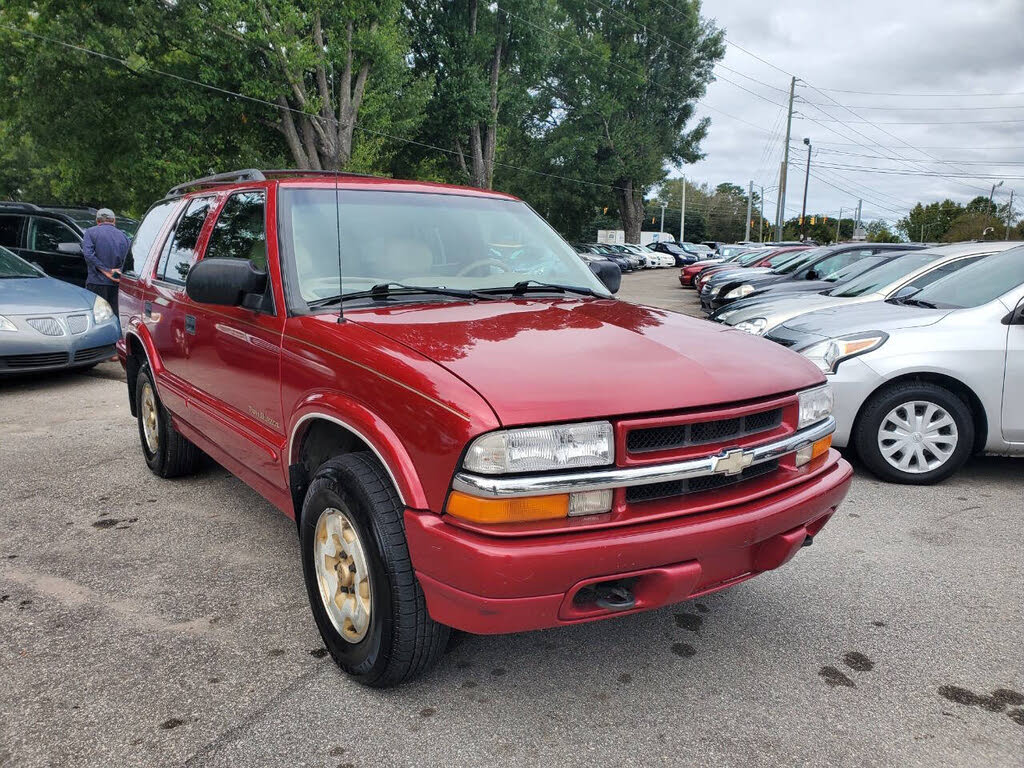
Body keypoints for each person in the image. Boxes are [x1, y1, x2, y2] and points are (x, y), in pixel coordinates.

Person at [81, 208, 130, 314]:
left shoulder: (90, 233)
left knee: (98, 316)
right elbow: (130, 259)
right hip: (117, 285)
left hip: (96, 283)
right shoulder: (124, 236)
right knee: (115, 315)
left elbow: (88, 254)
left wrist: (106, 271)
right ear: (114, 221)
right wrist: (118, 273)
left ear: (97, 221)